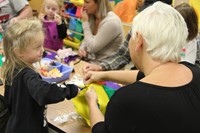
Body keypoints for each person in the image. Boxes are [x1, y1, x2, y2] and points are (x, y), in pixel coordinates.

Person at [84, 2, 200, 133]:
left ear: (139, 41)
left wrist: (92, 104)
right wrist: (102, 74)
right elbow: (142, 77)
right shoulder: (194, 72)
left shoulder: (127, 100)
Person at [1, 18, 79, 133]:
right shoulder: (28, 75)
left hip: (15, 125)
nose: (42, 50)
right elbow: (44, 92)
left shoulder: (11, 69)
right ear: (18, 52)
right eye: (37, 47)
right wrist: (70, 89)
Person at [78, 0, 124, 65]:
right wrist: (82, 48)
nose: (84, 5)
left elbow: (91, 47)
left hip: (107, 67)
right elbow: (87, 38)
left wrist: (85, 22)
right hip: (93, 63)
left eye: (87, 2)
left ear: (99, 3)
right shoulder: (92, 16)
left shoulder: (112, 22)